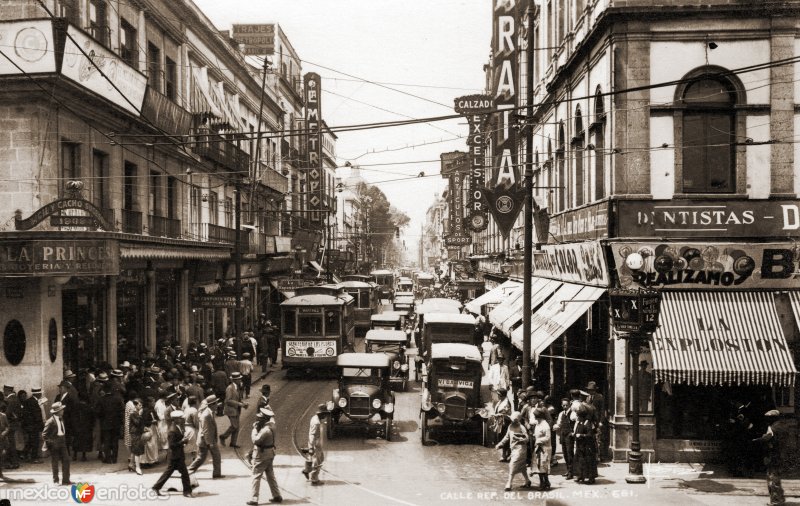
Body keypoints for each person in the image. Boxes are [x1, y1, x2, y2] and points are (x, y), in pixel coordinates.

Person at [753, 410, 790, 506]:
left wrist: (755, 440)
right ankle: (780, 499)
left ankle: (776, 501)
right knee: (777, 477)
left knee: (772, 479)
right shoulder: (784, 426)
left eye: (768, 418)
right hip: (782, 454)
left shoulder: (772, 428)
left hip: (773, 455)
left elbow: (766, 438)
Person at [152, 410, 192, 498]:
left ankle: (156, 487)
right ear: (176, 419)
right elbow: (172, 445)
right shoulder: (173, 430)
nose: (183, 419)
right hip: (175, 456)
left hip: (177, 455)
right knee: (183, 473)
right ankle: (187, 491)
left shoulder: (177, 427)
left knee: (170, 473)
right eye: (181, 418)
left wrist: (183, 441)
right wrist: (182, 441)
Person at [247, 407, 282, 505]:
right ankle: (276, 495)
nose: (258, 419)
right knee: (270, 475)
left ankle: (254, 499)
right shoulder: (272, 425)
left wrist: (254, 429)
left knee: (256, 475)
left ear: (264, 419)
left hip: (261, 455)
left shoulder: (265, 430)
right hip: (270, 453)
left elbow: (256, 440)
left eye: (260, 418)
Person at [188, 395, 222, 479]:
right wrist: (210, 443)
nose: (217, 404)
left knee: (208, 457)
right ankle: (189, 471)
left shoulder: (209, 412)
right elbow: (206, 430)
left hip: (207, 439)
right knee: (202, 458)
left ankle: (216, 473)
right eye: (216, 403)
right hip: (206, 440)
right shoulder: (207, 415)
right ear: (212, 404)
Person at [495, 412, 531, 491]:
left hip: (521, 449)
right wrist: (500, 444)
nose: (513, 421)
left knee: (512, 464)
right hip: (514, 449)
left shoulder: (522, 427)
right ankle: (527, 481)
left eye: (515, 420)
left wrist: (521, 439)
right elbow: (506, 437)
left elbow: (527, 438)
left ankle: (509, 483)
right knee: (522, 467)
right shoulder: (510, 426)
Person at [42, 401, 71, 485]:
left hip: (62, 442)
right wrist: (51, 443)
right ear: (57, 411)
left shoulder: (62, 419)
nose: (63, 411)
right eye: (61, 410)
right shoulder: (50, 421)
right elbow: (44, 435)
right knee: (55, 462)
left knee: (66, 460)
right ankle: (56, 480)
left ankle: (66, 480)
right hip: (54, 444)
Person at [219, 372, 247, 448]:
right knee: (234, 426)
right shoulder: (230, 388)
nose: (240, 380)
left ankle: (233, 443)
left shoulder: (237, 387)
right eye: (239, 379)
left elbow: (238, 398)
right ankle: (223, 436)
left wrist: (243, 403)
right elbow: (227, 400)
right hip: (230, 410)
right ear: (234, 380)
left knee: (237, 427)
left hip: (236, 409)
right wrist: (239, 404)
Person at [304, 404, 328, 485]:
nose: (325, 416)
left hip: (316, 443)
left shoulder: (315, 418)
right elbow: (312, 435)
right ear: (321, 414)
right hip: (315, 443)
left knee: (318, 459)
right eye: (325, 414)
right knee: (318, 461)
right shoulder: (316, 422)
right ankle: (314, 479)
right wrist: (311, 447)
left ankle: (306, 470)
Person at [572, 405, 597, 484]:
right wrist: (574, 434)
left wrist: (581, 435)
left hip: (587, 446)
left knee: (589, 462)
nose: (577, 417)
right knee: (580, 461)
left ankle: (591, 477)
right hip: (580, 446)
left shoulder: (587, 423)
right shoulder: (579, 423)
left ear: (581, 416)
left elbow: (590, 435)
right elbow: (577, 431)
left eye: (578, 416)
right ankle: (580, 476)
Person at [21, 388, 44, 464]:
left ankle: (24, 454)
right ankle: (34, 458)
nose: (41, 395)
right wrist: (41, 425)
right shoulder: (33, 402)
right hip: (33, 426)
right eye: (40, 393)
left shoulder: (29, 401)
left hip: (30, 426)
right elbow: (36, 416)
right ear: (37, 394)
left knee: (31, 441)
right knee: (35, 442)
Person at [553, 397, 574, 480]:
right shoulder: (561, 413)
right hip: (563, 434)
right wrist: (555, 427)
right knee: (565, 453)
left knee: (569, 454)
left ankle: (571, 472)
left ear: (569, 405)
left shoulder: (573, 413)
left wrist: (573, 433)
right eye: (563, 405)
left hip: (569, 435)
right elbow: (559, 424)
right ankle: (568, 470)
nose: (565, 407)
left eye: (566, 405)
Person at [531, 407, 552, 490]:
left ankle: (544, 483)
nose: (535, 418)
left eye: (536, 416)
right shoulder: (538, 423)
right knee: (539, 465)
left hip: (545, 448)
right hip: (538, 447)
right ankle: (545, 482)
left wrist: (539, 440)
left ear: (540, 417)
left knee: (543, 466)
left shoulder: (545, 425)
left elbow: (548, 437)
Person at [491, 387, 512, 462]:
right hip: (500, 422)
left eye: (499, 395)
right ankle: (505, 454)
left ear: (502, 395)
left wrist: (498, 415)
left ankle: (505, 454)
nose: (497, 396)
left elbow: (506, 413)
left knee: (504, 438)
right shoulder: (500, 401)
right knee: (500, 437)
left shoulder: (506, 403)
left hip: (505, 422)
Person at [3, 385, 20, 468]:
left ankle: (14, 462)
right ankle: (13, 462)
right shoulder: (15, 398)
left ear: (7, 390)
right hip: (14, 424)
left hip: (10, 424)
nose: (3, 392)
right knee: (11, 443)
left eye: (4, 390)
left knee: (10, 443)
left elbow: (7, 413)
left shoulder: (11, 400)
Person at [128, 399, 145, 475]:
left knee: (134, 449)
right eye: (139, 405)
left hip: (138, 432)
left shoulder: (136, 413)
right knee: (137, 450)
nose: (141, 407)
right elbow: (137, 423)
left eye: (141, 405)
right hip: (135, 433)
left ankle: (131, 464)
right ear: (135, 405)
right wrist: (140, 415)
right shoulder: (133, 414)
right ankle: (138, 467)